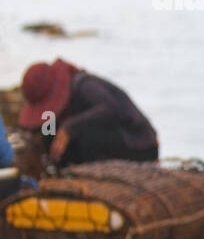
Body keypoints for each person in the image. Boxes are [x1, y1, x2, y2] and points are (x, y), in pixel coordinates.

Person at [17, 59, 158, 168]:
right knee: (49, 132)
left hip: (138, 144)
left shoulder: (84, 86)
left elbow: (109, 109)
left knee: (85, 135)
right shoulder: (53, 114)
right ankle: (60, 171)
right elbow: (46, 130)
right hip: (104, 146)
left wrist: (70, 127)